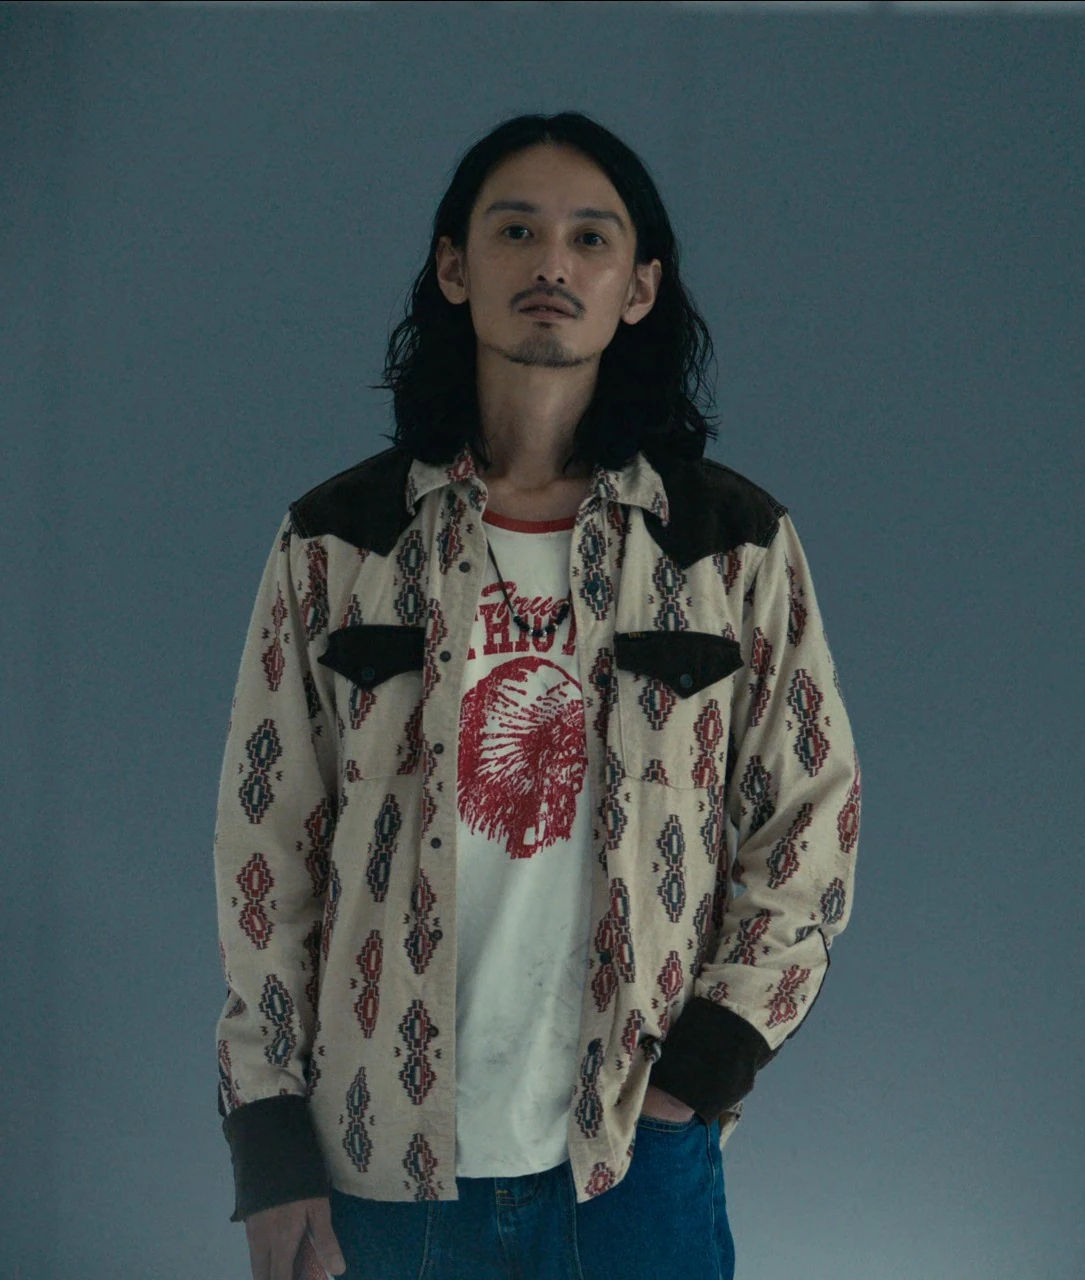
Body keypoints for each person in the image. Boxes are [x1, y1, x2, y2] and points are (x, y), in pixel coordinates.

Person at [212, 110, 862, 1280]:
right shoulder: (336, 543)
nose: (551, 264)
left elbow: (811, 825)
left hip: (630, 1161)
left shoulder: (728, 546)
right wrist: (268, 1146)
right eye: (514, 230)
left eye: (589, 239)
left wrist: (693, 1086)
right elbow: (267, 849)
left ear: (638, 286)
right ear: (454, 266)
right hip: (379, 1168)